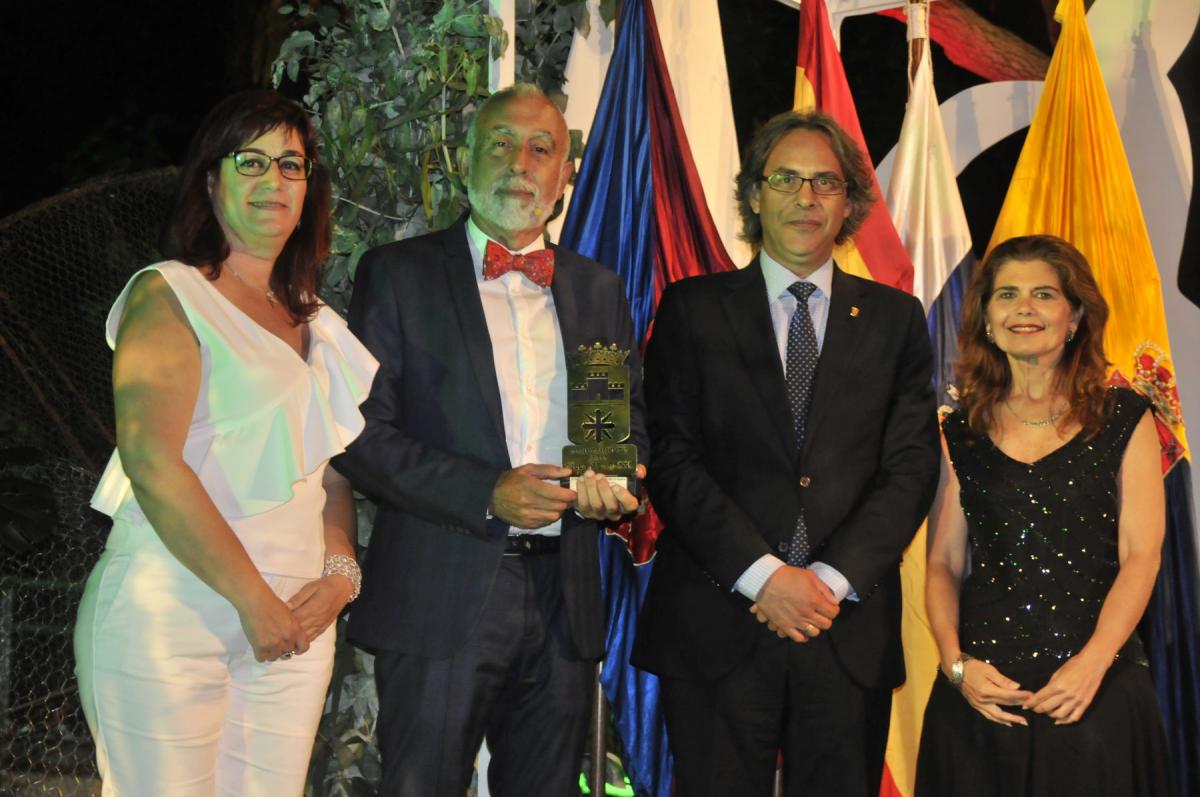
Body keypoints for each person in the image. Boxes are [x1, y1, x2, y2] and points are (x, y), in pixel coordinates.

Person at [333, 83, 647, 796]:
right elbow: (358, 433)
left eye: (541, 148)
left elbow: (621, 422)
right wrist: (488, 493)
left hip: (566, 596)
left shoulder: (597, 289)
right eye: (501, 143)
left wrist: (617, 480)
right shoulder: (400, 274)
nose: (521, 163)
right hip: (441, 590)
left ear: (565, 174)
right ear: (466, 160)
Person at [74, 90, 378, 795]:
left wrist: (341, 576)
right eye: (252, 161)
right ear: (212, 181)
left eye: (291, 164)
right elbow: (152, 462)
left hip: (295, 628)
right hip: (172, 612)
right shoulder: (170, 293)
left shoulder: (319, 323)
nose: (274, 180)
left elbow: (331, 478)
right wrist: (252, 599)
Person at [631, 110, 939, 796]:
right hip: (718, 621)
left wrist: (825, 582)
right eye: (787, 179)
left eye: (826, 182)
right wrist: (764, 576)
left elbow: (912, 468)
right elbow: (672, 458)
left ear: (850, 203)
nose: (806, 198)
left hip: (844, 627)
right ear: (754, 194)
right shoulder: (691, 308)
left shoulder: (894, 319)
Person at [916, 234, 1174, 795]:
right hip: (982, 697)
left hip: (1094, 692)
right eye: (1007, 294)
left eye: (1044, 294)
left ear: (1075, 316)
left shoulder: (1124, 416)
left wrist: (1093, 663)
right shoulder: (959, 431)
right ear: (987, 318)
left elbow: (1142, 555)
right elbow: (942, 564)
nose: (1024, 308)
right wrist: (956, 665)